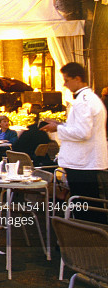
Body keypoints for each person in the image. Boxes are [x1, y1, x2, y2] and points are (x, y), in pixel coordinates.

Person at [41, 62, 108, 223]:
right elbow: (80, 129)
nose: (64, 84)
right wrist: (59, 124)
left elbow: (83, 133)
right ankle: (90, 238)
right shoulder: (90, 98)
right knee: (87, 203)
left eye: (66, 79)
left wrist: (57, 129)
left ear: (77, 79)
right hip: (85, 161)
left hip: (82, 162)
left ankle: (88, 240)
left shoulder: (83, 101)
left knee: (84, 205)